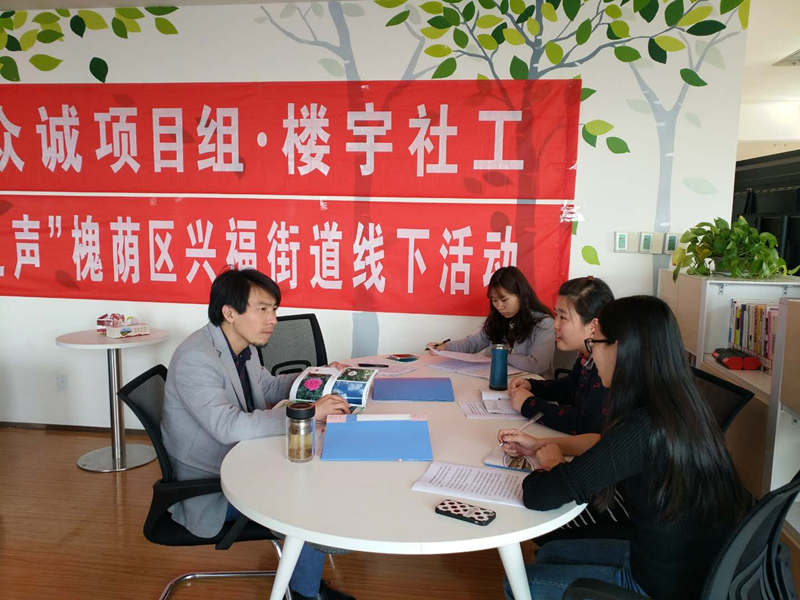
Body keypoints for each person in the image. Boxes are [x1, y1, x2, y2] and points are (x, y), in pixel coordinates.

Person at [498, 296, 747, 600]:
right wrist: (542, 445)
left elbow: (540, 494)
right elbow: (607, 448)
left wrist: (550, 463)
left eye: (596, 344)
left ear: (620, 348)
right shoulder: (682, 403)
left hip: (657, 584)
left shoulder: (642, 426)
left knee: (518, 584)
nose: (593, 354)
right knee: (550, 554)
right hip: (689, 563)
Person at [161, 268, 354, 600]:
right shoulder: (197, 358)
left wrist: (318, 377)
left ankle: (305, 581)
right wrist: (308, 412)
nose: (273, 319)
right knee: (306, 499)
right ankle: (305, 593)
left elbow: (269, 387)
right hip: (212, 486)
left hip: (242, 460)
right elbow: (228, 426)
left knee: (314, 473)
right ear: (230, 312)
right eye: (262, 309)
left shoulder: (239, 347)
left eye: (274, 309)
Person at [427, 266, 555, 377]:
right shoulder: (499, 319)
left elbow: (537, 365)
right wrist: (445, 347)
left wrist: (500, 355)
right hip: (502, 379)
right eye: (494, 301)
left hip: (532, 386)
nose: (499, 306)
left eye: (504, 300)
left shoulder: (544, 323)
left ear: (521, 295)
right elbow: (473, 343)